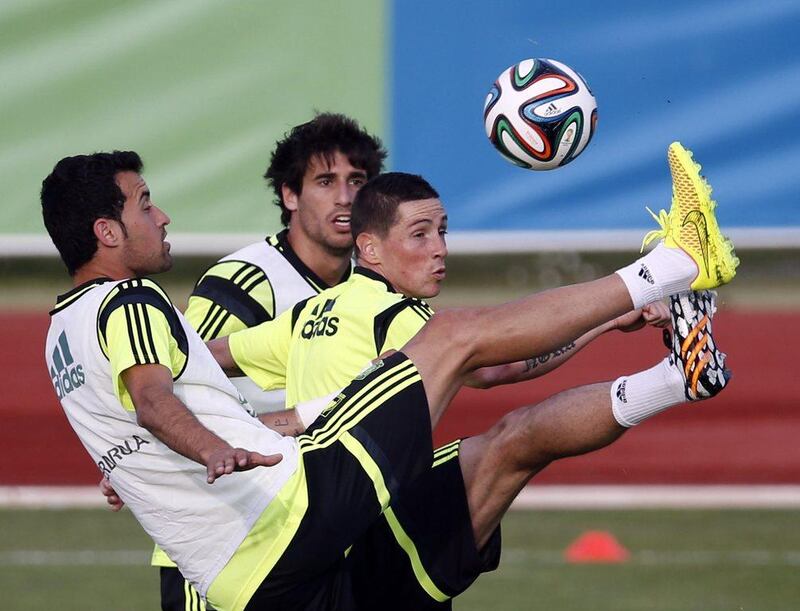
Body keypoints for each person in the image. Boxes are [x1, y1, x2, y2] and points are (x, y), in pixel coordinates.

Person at [42, 143, 737, 611]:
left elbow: (184, 384)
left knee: (502, 444)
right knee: (459, 340)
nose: (161, 213)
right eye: (143, 204)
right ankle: (677, 259)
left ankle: (677, 374)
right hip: (290, 512)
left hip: (259, 570)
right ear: (106, 231)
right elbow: (154, 395)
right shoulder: (129, 300)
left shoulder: (60, 334)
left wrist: (158, 455)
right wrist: (200, 445)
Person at [203, 171, 711, 609]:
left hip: (309, 531)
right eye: (419, 234)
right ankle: (669, 328)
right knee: (517, 441)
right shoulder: (397, 315)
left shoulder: (310, 314)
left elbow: (208, 356)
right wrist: (604, 321)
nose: (440, 249)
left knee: (516, 439)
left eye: (442, 231)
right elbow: (497, 367)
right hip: (374, 527)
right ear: (370, 248)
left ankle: (674, 375)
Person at [150, 112, 385, 610]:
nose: (345, 197)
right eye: (326, 181)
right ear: (290, 195)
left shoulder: (371, 287)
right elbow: (174, 382)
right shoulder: (246, 280)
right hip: (218, 534)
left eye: (357, 181)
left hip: (304, 532)